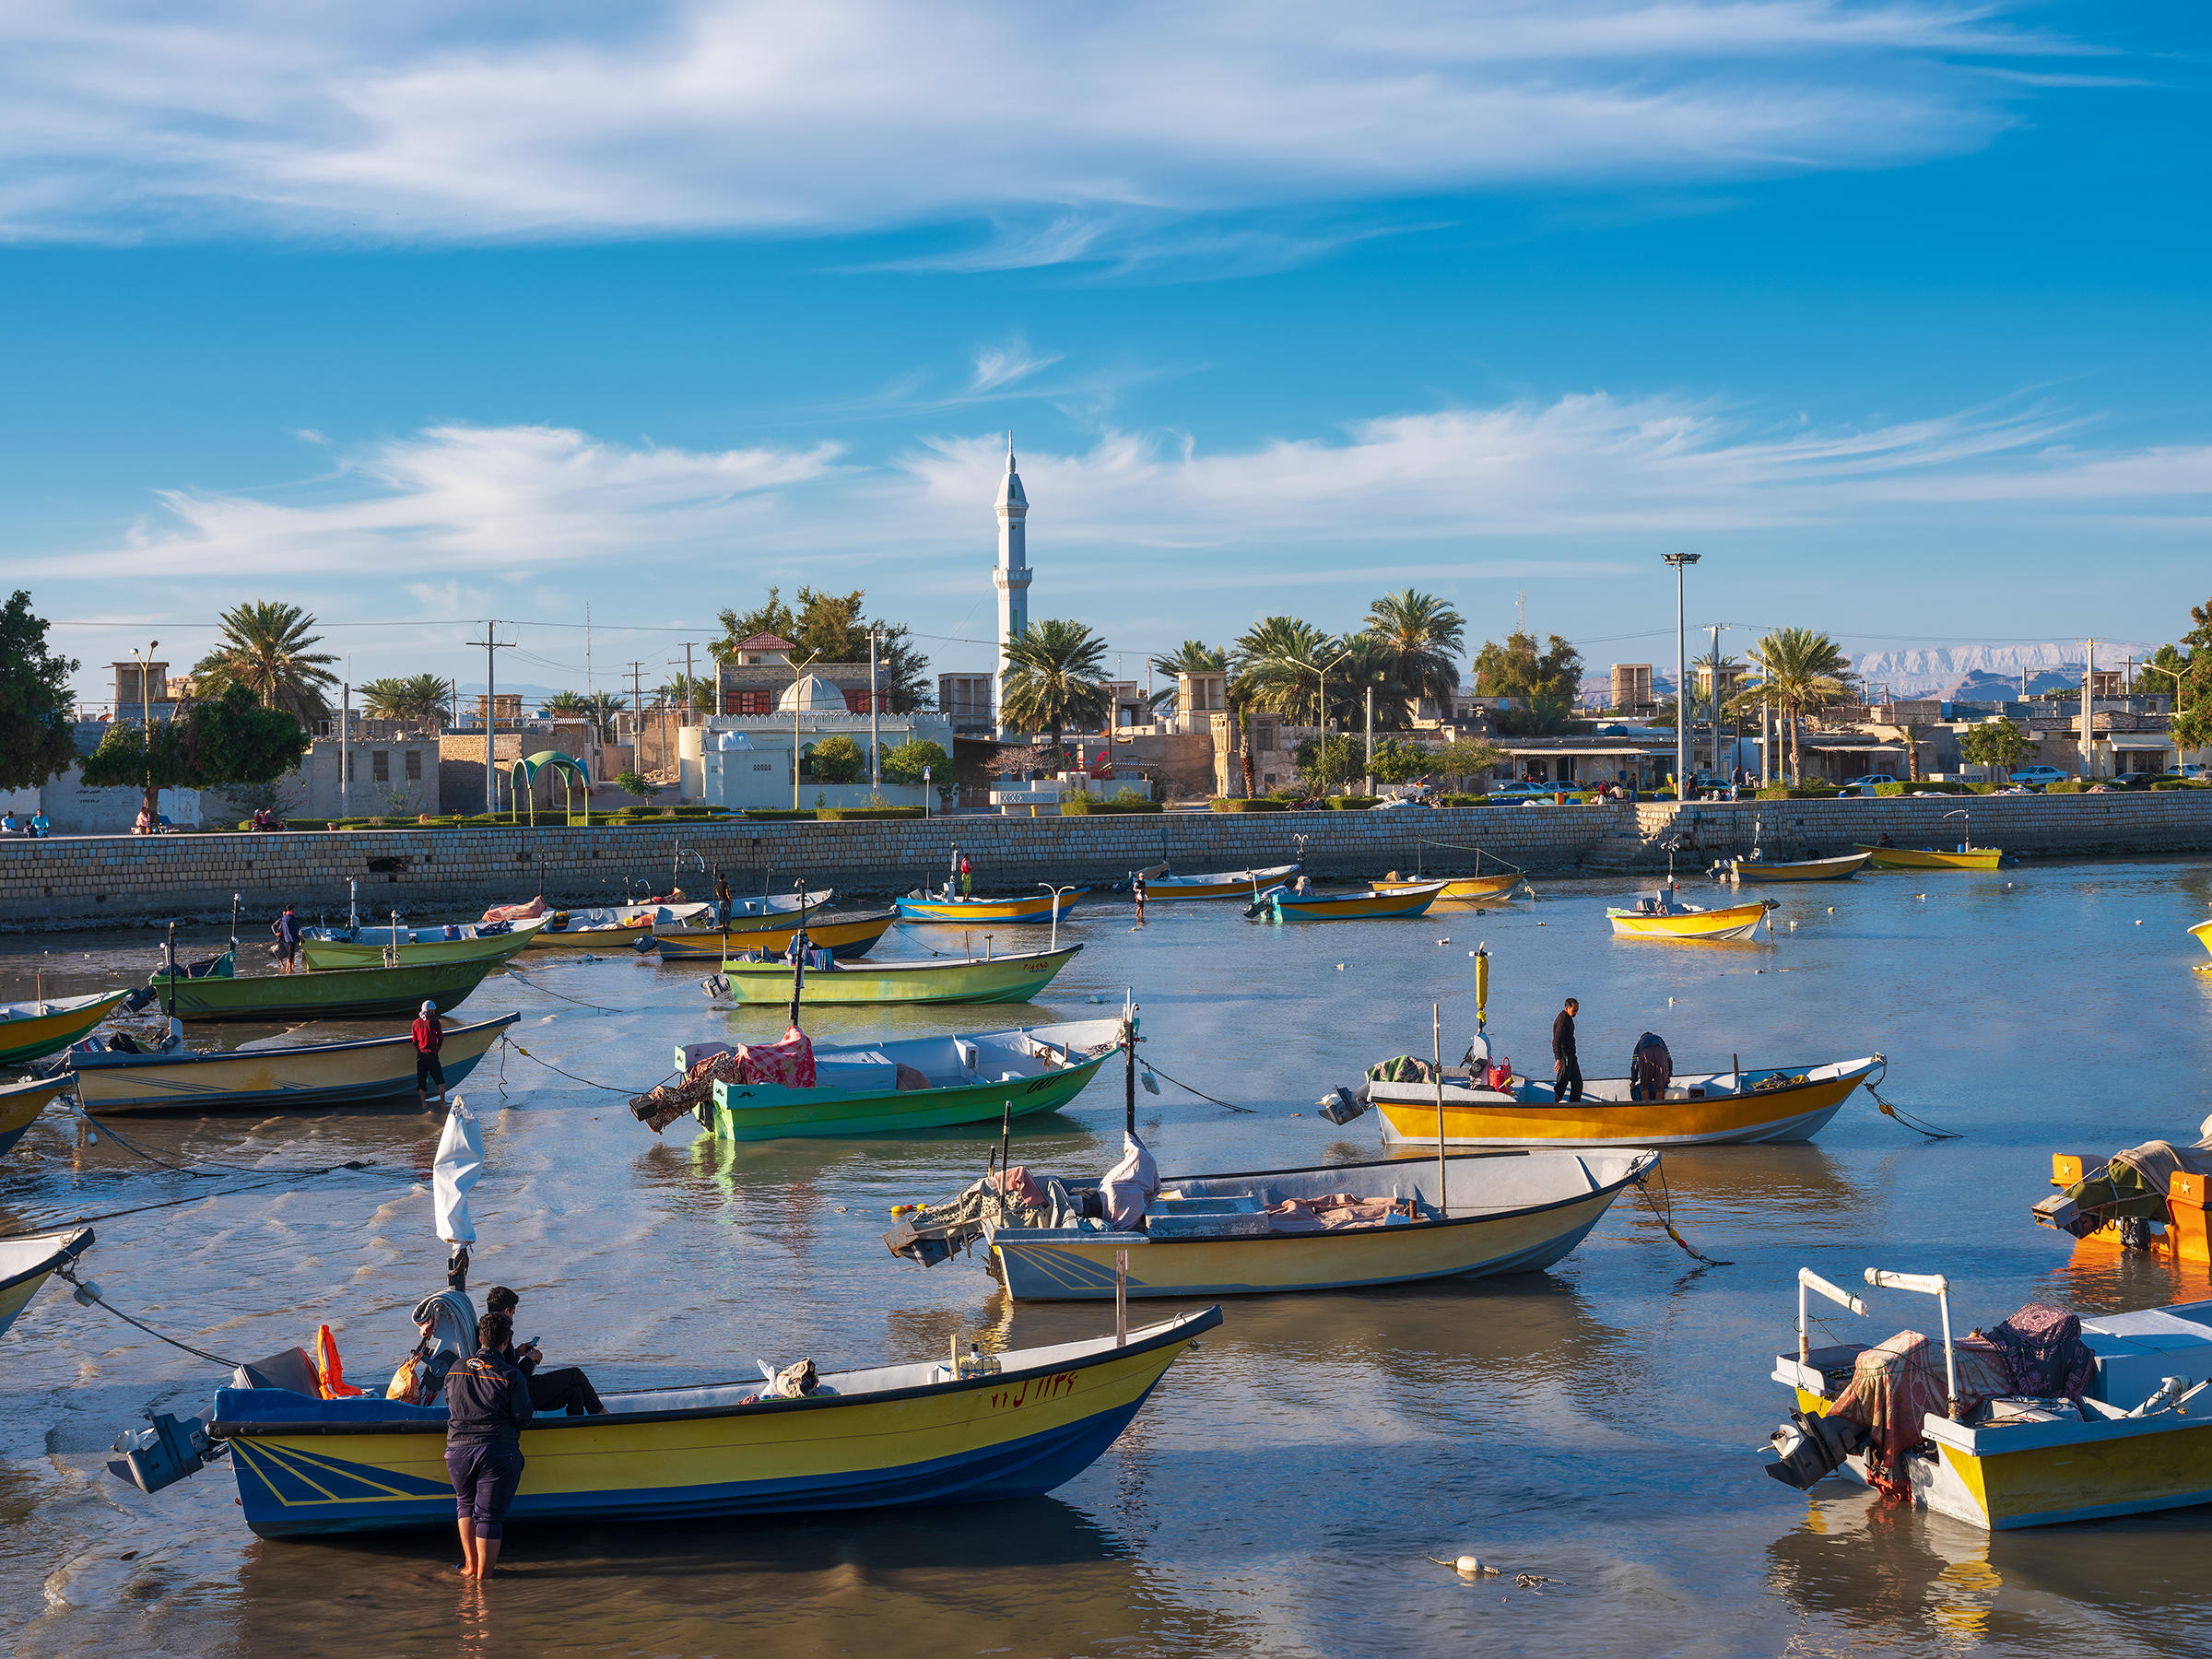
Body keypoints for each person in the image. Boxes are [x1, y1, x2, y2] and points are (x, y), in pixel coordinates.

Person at [445, 1309, 532, 1579]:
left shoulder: (456, 1368)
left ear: (480, 1338)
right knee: (489, 1516)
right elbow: (522, 1418)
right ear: (506, 1342)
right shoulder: (510, 1374)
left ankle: (470, 1567)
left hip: (457, 1450)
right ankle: (484, 1579)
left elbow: (451, 1402)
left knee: (465, 1504)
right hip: (496, 1451)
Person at [481, 1286, 607, 1417]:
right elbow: (513, 1377)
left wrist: (516, 1352)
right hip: (519, 1392)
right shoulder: (503, 1334)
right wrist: (530, 1360)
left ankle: (575, 1430)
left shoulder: (488, 1332)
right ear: (507, 1311)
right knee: (575, 1374)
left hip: (516, 1389)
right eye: (513, 1313)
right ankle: (602, 1414)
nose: (513, 1318)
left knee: (576, 1392)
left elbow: (502, 1365)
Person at [414, 1000, 447, 1109]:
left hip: (421, 1056)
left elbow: (414, 1041)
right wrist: (437, 1050)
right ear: (430, 1011)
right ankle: (443, 1104)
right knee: (440, 1081)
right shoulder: (435, 1021)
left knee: (422, 1081)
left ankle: (424, 1105)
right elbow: (441, 1037)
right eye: (433, 1010)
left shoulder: (415, 1023)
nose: (434, 1012)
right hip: (432, 1055)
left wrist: (419, 1051)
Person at [1552, 996, 1583, 1104]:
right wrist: (1558, 1058)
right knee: (1562, 1084)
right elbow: (1556, 1041)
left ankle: (1574, 1106)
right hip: (1564, 1056)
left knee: (1578, 1083)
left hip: (1571, 1056)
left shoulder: (1569, 1018)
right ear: (1567, 1008)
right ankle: (1556, 1106)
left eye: (1577, 1010)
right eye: (1574, 1010)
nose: (1576, 1013)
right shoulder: (1562, 1021)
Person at [272, 902, 302, 974]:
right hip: (291, 938)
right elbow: (294, 929)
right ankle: (289, 970)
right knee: (291, 954)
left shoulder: (283, 919)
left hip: (286, 938)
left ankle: (288, 969)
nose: (294, 910)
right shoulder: (290, 918)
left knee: (289, 954)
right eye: (294, 909)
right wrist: (299, 937)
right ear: (291, 910)